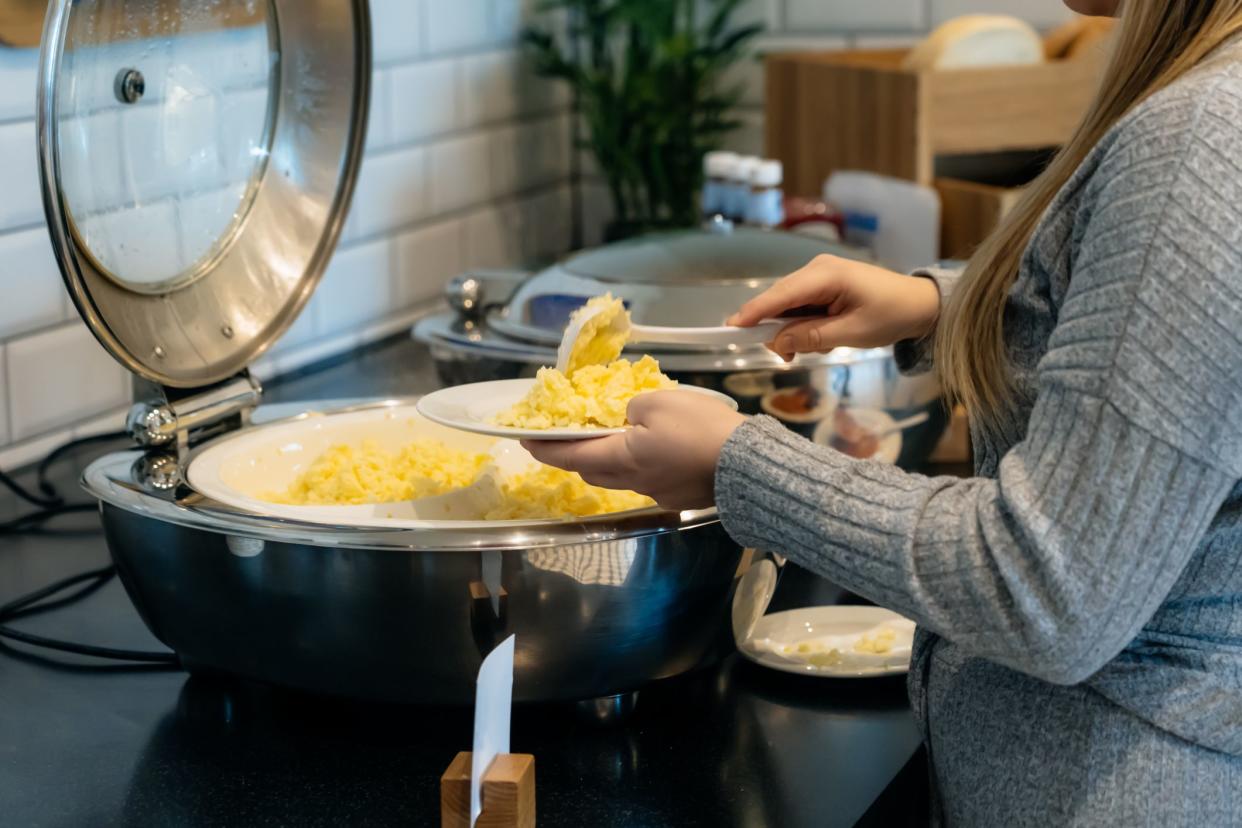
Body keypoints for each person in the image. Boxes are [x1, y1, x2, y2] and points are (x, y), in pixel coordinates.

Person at [525, 0, 1242, 824]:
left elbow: (1047, 590)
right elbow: (1161, 335)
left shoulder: (1202, 141)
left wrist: (738, 463)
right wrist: (943, 302)